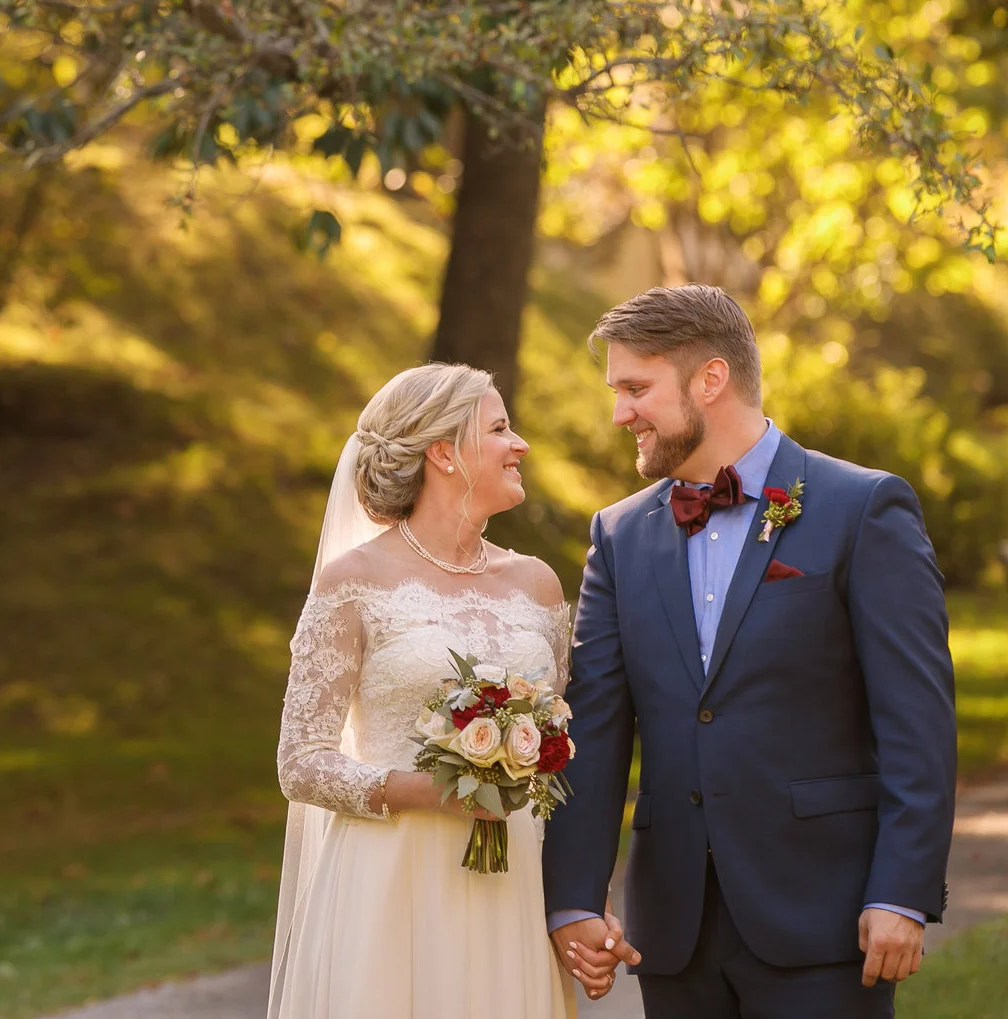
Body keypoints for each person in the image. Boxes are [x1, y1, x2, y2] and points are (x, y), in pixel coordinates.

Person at [546, 286, 956, 1017]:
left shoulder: (862, 507)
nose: (619, 413)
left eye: (636, 388)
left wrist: (902, 889)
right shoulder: (618, 536)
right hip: (672, 930)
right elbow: (597, 727)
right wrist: (574, 898)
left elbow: (917, 720)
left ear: (711, 378)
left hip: (825, 917)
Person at [270, 363, 621, 1017]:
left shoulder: (537, 584)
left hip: (509, 884)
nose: (519, 445)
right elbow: (300, 761)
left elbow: (560, 758)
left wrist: (581, 898)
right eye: (499, 428)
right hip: (391, 882)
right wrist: (433, 790)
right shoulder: (355, 581)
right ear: (442, 451)